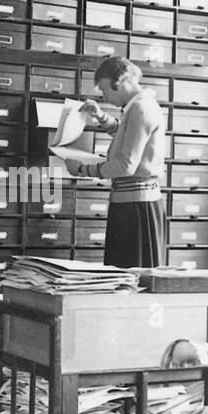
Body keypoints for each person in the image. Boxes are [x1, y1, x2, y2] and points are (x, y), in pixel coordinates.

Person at [64, 57, 166, 268]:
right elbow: (127, 136)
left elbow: (125, 166)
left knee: (130, 274)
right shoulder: (138, 105)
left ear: (118, 81)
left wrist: (82, 169)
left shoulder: (140, 108)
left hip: (136, 207)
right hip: (133, 202)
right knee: (126, 273)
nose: (104, 96)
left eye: (104, 89)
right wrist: (101, 117)